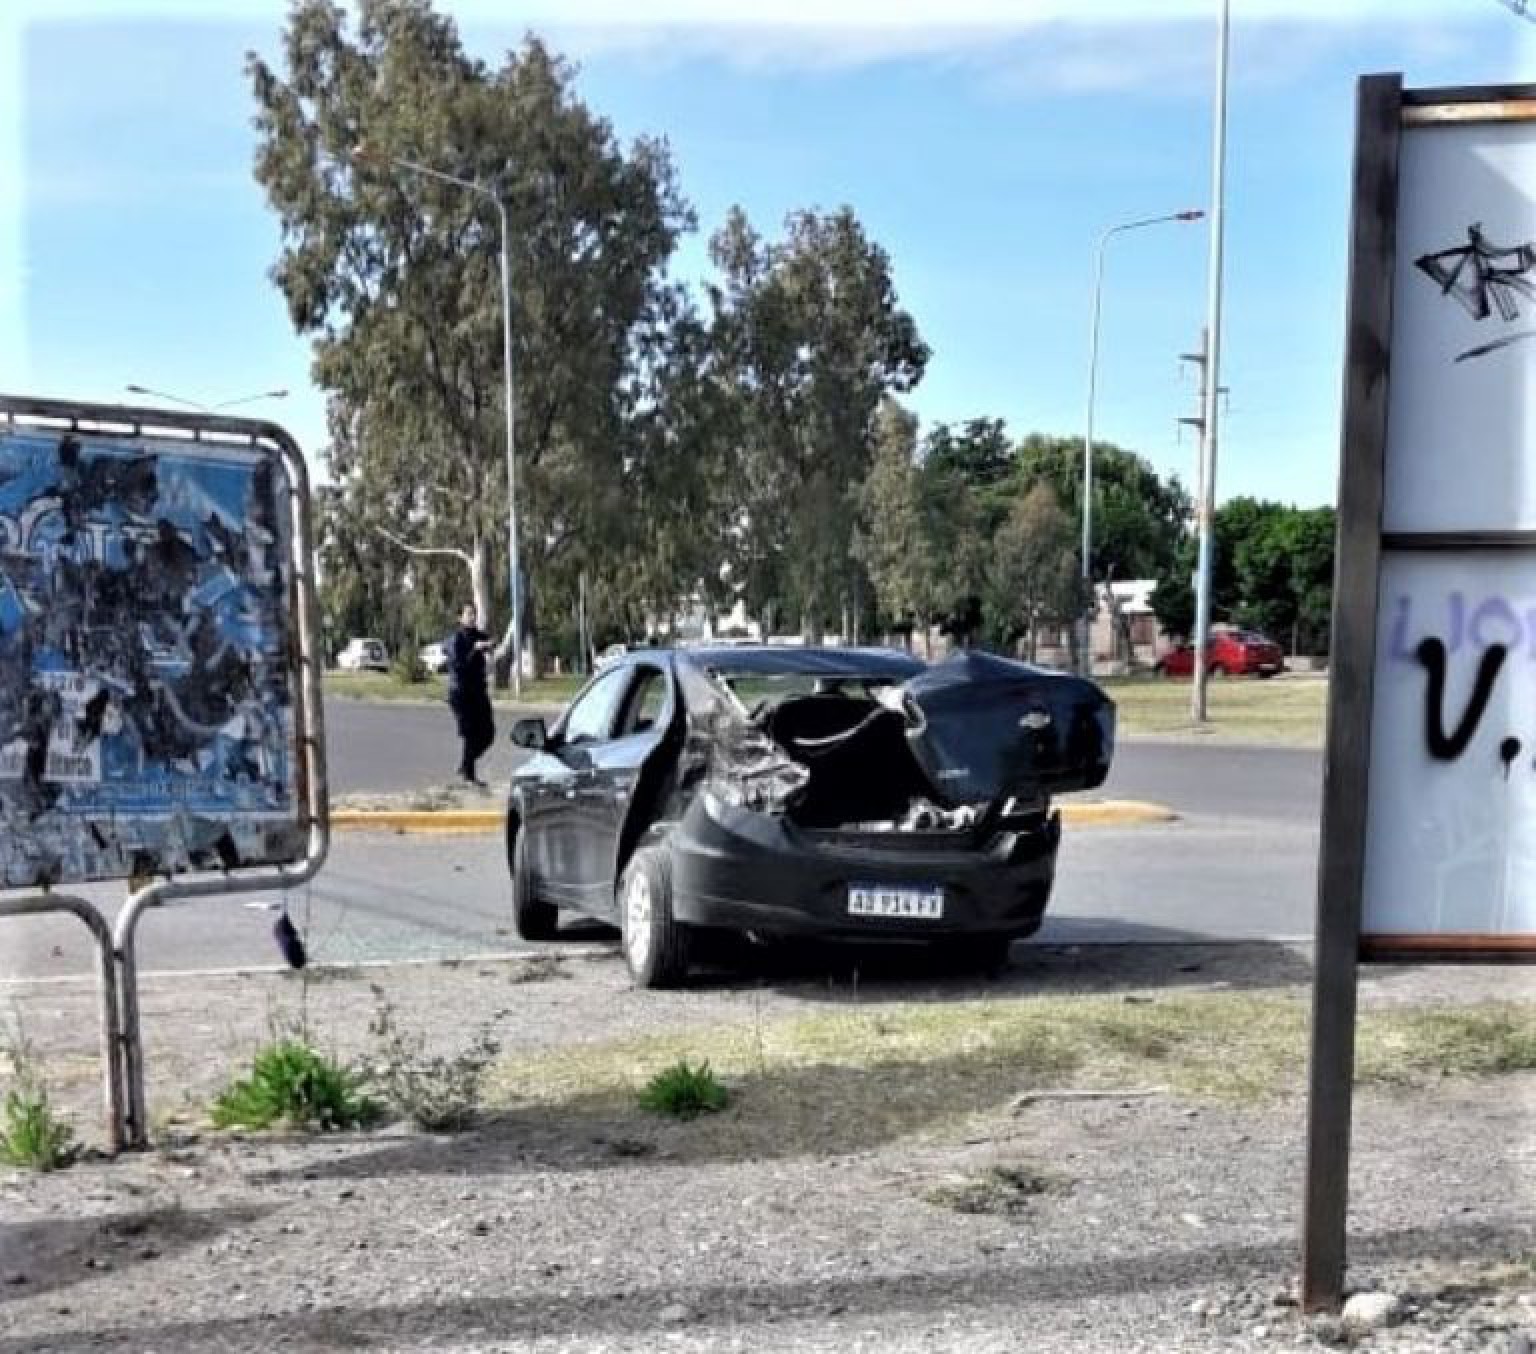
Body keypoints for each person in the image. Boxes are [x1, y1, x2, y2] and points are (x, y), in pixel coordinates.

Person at [447, 603, 495, 787]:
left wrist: (490, 644)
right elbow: (460, 667)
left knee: (488, 733)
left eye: (474, 613)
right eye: (468, 614)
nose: (472, 617)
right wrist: (475, 649)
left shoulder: (478, 635)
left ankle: (466, 765)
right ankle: (469, 776)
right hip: (461, 693)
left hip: (478, 692)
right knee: (471, 733)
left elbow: (490, 641)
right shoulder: (456, 640)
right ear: (460, 618)